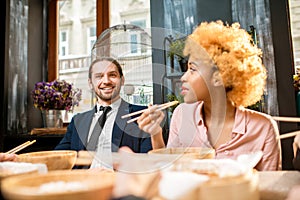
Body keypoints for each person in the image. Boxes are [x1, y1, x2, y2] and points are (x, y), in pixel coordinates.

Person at [137, 21, 281, 171]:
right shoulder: (181, 115)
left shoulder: (263, 129)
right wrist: (156, 134)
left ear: (219, 77)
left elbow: (269, 189)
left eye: (192, 69)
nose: (183, 78)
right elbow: (168, 172)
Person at [55, 57, 152, 168]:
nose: (106, 81)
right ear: (90, 83)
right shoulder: (78, 121)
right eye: (99, 76)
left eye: (112, 75)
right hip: (83, 181)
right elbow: (58, 157)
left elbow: (150, 161)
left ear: (122, 80)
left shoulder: (141, 115)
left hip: (120, 182)